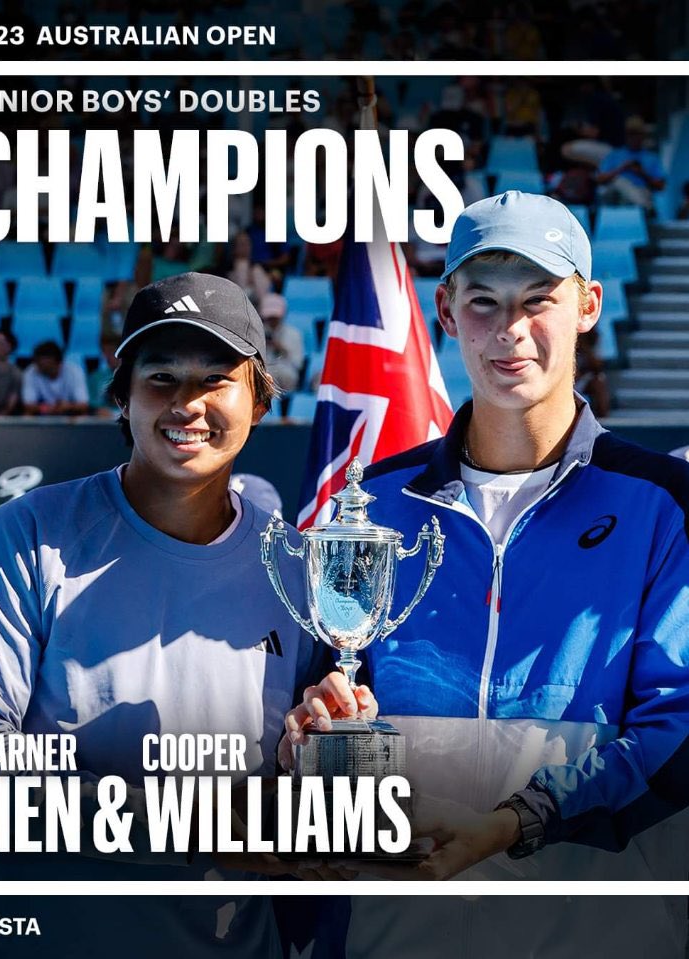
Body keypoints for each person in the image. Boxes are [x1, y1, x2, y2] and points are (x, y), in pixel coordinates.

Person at [283, 192, 689, 957]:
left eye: (539, 300)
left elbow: (676, 727)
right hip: (397, 929)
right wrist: (313, 724)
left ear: (588, 305)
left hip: (599, 931)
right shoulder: (368, 506)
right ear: (444, 309)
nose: (509, 331)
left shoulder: (664, 505)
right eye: (482, 302)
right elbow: (321, 706)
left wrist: (514, 819)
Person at [0, 273, 362, 959]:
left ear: (258, 399)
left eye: (215, 378)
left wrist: (315, 749)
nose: (186, 404)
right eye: (161, 377)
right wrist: (187, 818)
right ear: (123, 397)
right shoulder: (25, 535)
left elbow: (301, 782)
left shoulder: (298, 567)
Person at [596, 115, 666, 210]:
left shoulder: (651, 158)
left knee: (624, 188)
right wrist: (622, 168)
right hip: (615, 196)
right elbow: (600, 179)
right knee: (617, 183)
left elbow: (661, 186)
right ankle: (645, 206)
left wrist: (641, 173)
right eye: (631, 133)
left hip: (641, 193)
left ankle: (643, 206)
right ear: (626, 135)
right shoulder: (615, 155)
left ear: (643, 135)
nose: (634, 137)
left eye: (637, 133)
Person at [21, 339, 89, 416]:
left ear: (57, 363)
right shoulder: (31, 371)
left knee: (83, 415)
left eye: (44, 364)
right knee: (27, 415)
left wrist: (68, 406)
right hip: (42, 413)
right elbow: (28, 405)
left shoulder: (75, 372)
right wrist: (45, 408)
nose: (38, 366)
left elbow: (83, 405)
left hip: (69, 413)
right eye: (38, 362)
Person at [260, 292, 304, 395]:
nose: (272, 320)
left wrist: (282, 349)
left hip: (286, 372)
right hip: (266, 370)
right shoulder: (258, 332)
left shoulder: (294, 334)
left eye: (275, 316)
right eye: (269, 316)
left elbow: (298, 363)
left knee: (286, 375)